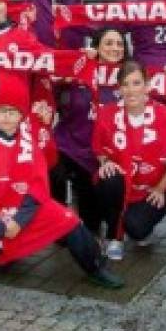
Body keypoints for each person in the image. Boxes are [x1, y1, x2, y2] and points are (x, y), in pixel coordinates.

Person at [0, 81, 124, 289]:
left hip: (26, 210)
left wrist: (19, 221)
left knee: (70, 220)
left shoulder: (30, 143)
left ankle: (95, 266)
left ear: (21, 116)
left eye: (13, 112)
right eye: (2, 111)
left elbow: (38, 187)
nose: (6, 117)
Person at [92, 61, 166, 260]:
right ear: (119, 88)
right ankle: (114, 236)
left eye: (136, 83)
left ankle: (132, 222)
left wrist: (161, 188)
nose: (131, 90)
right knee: (108, 179)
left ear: (148, 85)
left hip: (152, 189)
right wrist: (105, 162)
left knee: (138, 230)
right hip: (121, 185)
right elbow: (99, 149)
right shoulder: (106, 114)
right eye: (125, 84)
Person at [51, 27, 129, 235]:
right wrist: (76, 62)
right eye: (108, 43)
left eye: (119, 44)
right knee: (51, 167)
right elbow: (50, 76)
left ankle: (89, 207)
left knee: (92, 224)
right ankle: (56, 216)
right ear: (96, 47)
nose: (115, 48)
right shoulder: (80, 67)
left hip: (104, 154)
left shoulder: (131, 77)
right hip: (70, 144)